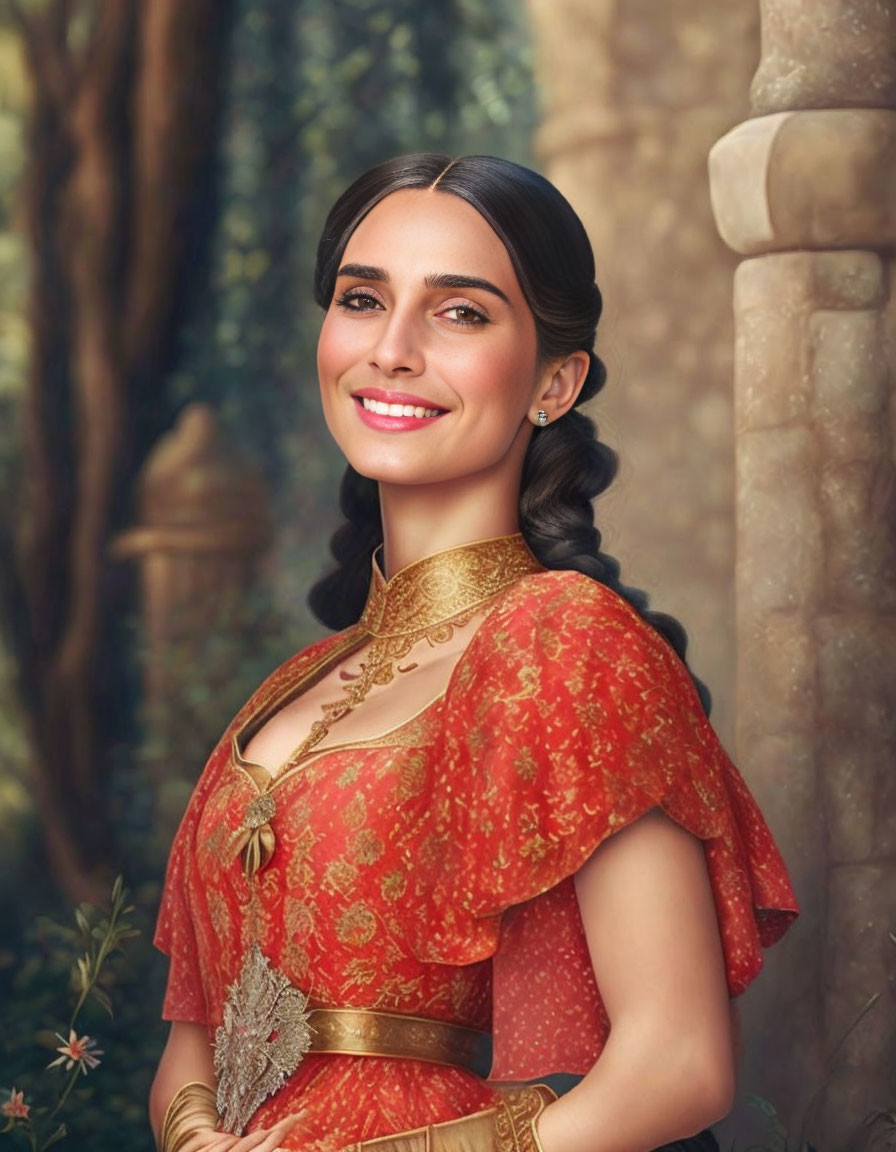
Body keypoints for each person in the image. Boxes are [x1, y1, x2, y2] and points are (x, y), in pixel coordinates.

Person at [149, 154, 798, 1152]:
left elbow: (678, 1063)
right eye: (363, 299)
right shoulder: (286, 689)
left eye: (458, 312)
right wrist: (196, 1136)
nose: (392, 350)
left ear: (554, 380)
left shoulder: (564, 645)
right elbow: (196, 1036)